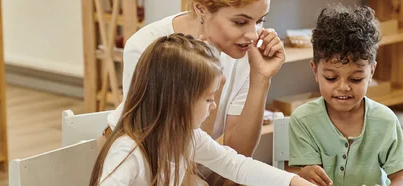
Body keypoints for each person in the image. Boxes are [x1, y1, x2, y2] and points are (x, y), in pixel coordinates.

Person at [90, 33, 313, 186]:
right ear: (178, 101)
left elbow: (235, 164)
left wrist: (292, 181)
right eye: (208, 99)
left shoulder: (186, 137)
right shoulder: (128, 151)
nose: (214, 105)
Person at [102, 0, 283, 184]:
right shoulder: (150, 46)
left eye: (261, 20)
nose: (253, 35)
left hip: (193, 166)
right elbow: (161, 143)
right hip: (150, 164)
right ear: (200, 8)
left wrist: (261, 78)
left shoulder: (245, 49)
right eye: (240, 22)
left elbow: (235, 159)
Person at [287, 5, 403, 186]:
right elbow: (292, 175)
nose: (343, 87)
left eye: (355, 79)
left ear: (371, 73)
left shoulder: (385, 121)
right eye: (331, 78)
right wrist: (302, 174)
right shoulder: (303, 120)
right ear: (315, 70)